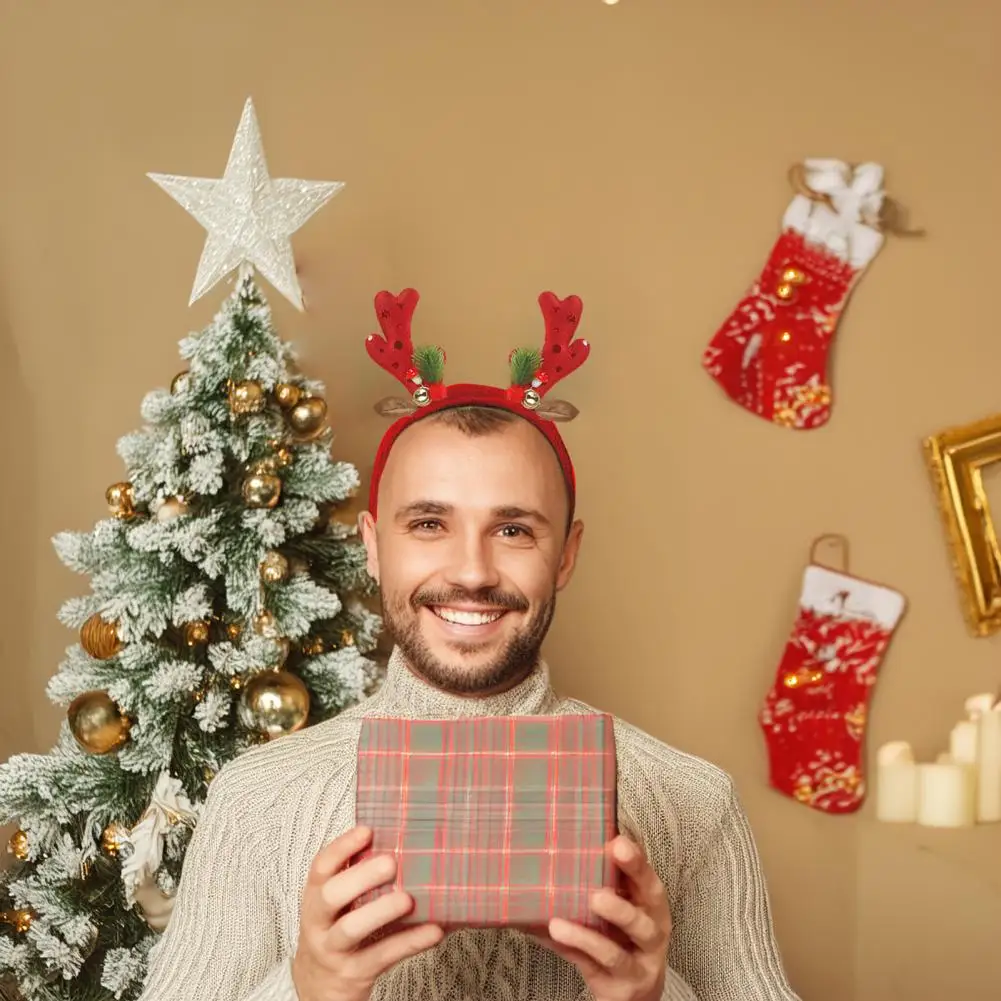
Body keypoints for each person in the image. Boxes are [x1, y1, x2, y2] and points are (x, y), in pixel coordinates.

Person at [140, 289, 802, 1001]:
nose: (471, 571)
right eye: (428, 523)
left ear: (566, 555)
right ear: (372, 546)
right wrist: (308, 988)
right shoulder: (257, 799)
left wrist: (649, 993)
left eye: (513, 529)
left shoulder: (690, 801)